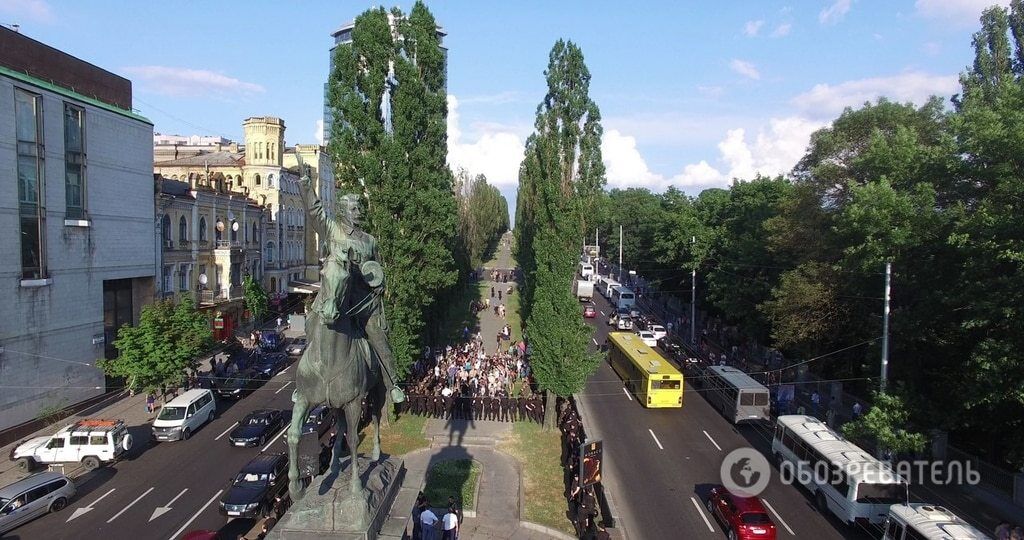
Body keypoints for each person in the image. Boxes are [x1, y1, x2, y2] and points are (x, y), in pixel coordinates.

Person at [298, 158, 405, 404]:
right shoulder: (331, 229)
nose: (359, 213)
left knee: (379, 340)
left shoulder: (369, 240)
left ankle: (393, 385)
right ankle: (304, 382)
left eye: (359, 209)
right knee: (311, 325)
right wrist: (305, 184)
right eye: (354, 209)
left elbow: (377, 271)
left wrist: (379, 284)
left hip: (360, 301)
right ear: (343, 211)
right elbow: (314, 211)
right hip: (334, 296)